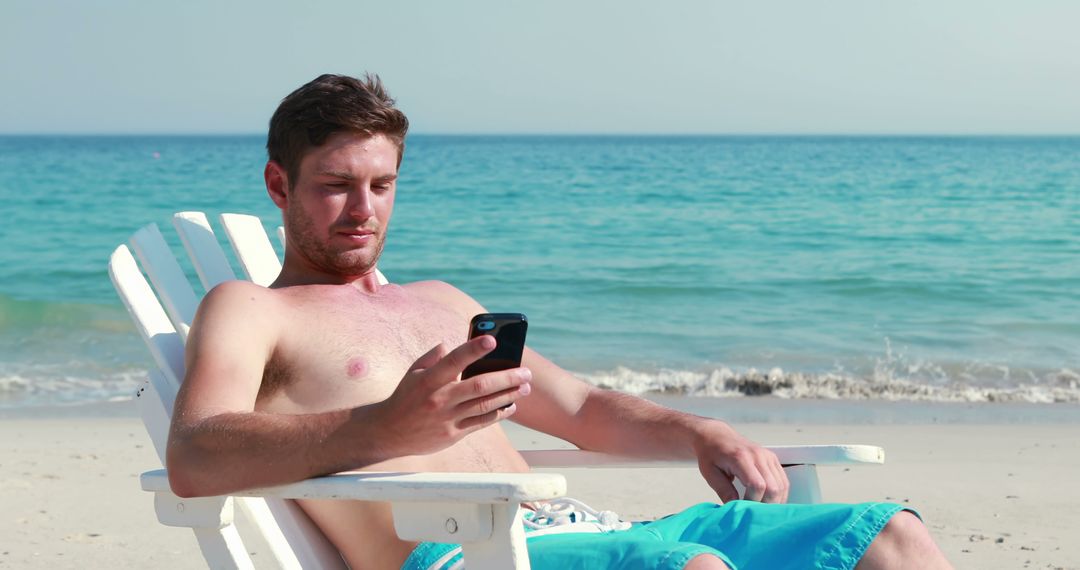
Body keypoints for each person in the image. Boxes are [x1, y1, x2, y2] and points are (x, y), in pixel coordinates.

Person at [166, 73, 952, 570]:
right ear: (279, 182)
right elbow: (196, 454)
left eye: (382, 183)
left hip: (588, 530)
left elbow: (577, 409)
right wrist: (385, 426)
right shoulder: (250, 309)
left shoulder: (441, 302)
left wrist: (695, 432)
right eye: (337, 184)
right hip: (468, 555)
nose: (364, 210)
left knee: (892, 536)